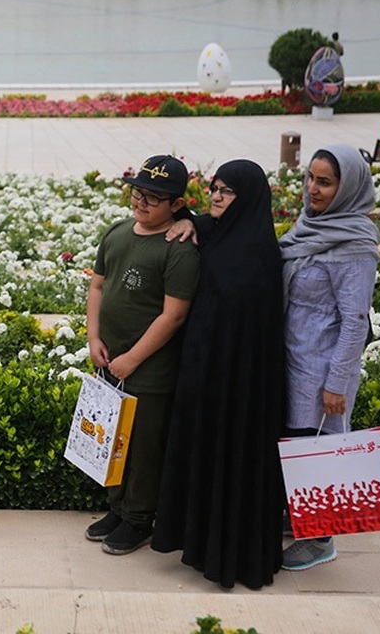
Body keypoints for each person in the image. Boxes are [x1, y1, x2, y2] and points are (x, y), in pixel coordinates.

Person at [152, 160, 286, 589]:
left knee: (236, 467)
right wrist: (191, 221)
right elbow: (194, 224)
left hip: (242, 389)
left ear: (246, 200)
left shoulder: (262, 255)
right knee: (204, 461)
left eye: (227, 192)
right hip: (205, 379)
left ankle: (235, 557)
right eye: (214, 187)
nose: (216, 196)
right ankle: (201, 547)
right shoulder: (214, 232)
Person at [84, 155, 200, 556]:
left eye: (155, 197)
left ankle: (138, 519)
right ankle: (117, 508)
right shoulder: (117, 233)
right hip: (107, 362)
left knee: (143, 447)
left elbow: (174, 315)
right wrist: (93, 336)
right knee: (113, 440)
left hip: (149, 371)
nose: (142, 202)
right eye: (138, 192)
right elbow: (97, 288)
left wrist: (133, 358)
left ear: (177, 206)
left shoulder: (178, 249)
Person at [278, 144, 380, 571]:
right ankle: (301, 517)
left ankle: (321, 540)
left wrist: (337, 382)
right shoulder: (311, 226)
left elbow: (355, 321)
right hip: (293, 358)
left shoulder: (355, 243)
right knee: (298, 442)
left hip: (322, 368)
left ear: (347, 187)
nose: (313, 189)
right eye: (310, 178)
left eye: (325, 182)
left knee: (318, 444)